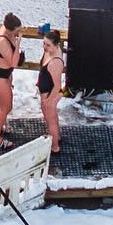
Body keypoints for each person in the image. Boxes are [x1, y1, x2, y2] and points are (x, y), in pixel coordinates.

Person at [0, 12, 24, 146]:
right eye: (17, 31)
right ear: (10, 29)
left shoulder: (7, 30)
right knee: (6, 107)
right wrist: (18, 44)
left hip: (2, 73)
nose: (19, 32)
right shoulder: (2, 41)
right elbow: (14, 62)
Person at [36, 25, 65, 154]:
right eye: (44, 43)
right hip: (46, 89)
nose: (45, 47)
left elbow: (57, 86)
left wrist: (48, 100)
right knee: (50, 118)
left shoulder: (55, 62)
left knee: (51, 119)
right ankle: (56, 137)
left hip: (50, 93)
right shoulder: (51, 51)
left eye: (48, 45)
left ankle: (55, 147)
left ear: (56, 45)